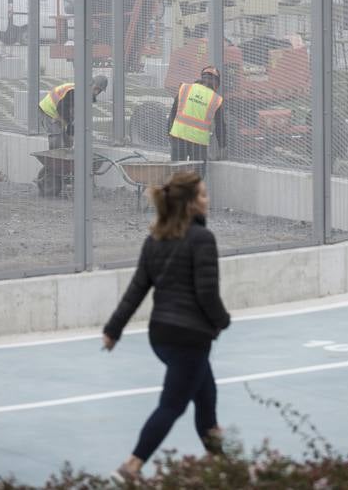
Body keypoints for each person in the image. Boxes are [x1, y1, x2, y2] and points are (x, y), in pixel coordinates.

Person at [102, 170, 230, 484]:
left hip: (161, 335)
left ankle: (221, 465)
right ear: (189, 205)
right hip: (190, 336)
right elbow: (206, 294)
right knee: (172, 405)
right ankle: (131, 466)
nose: (207, 199)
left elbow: (136, 289)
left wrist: (113, 329)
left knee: (206, 395)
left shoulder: (155, 238)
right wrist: (222, 321)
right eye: (202, 194)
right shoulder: (202, 239)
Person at [35, 77, 108, 193]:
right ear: (91, 84)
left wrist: (71, 131)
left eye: (99, 91)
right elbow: (62, 108)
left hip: (60, 114)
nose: (96, 92)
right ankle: (54, 169)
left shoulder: (87, 96)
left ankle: (63, 168)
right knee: (57, 140)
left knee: (68, 144)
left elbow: (75, 114)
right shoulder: (74, 92)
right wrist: (69, 125)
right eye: (96, 89)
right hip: (48, 110)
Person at [167, 65, 227, 175]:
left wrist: (169, 134)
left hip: (178, 137)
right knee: (197, 174)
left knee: (177, 173)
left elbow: (173, 113)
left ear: (202, 77)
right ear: (216, 83)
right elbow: (220, 126)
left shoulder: (185, 89)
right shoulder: (215, 99)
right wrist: (223, 146)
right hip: (198, 143)